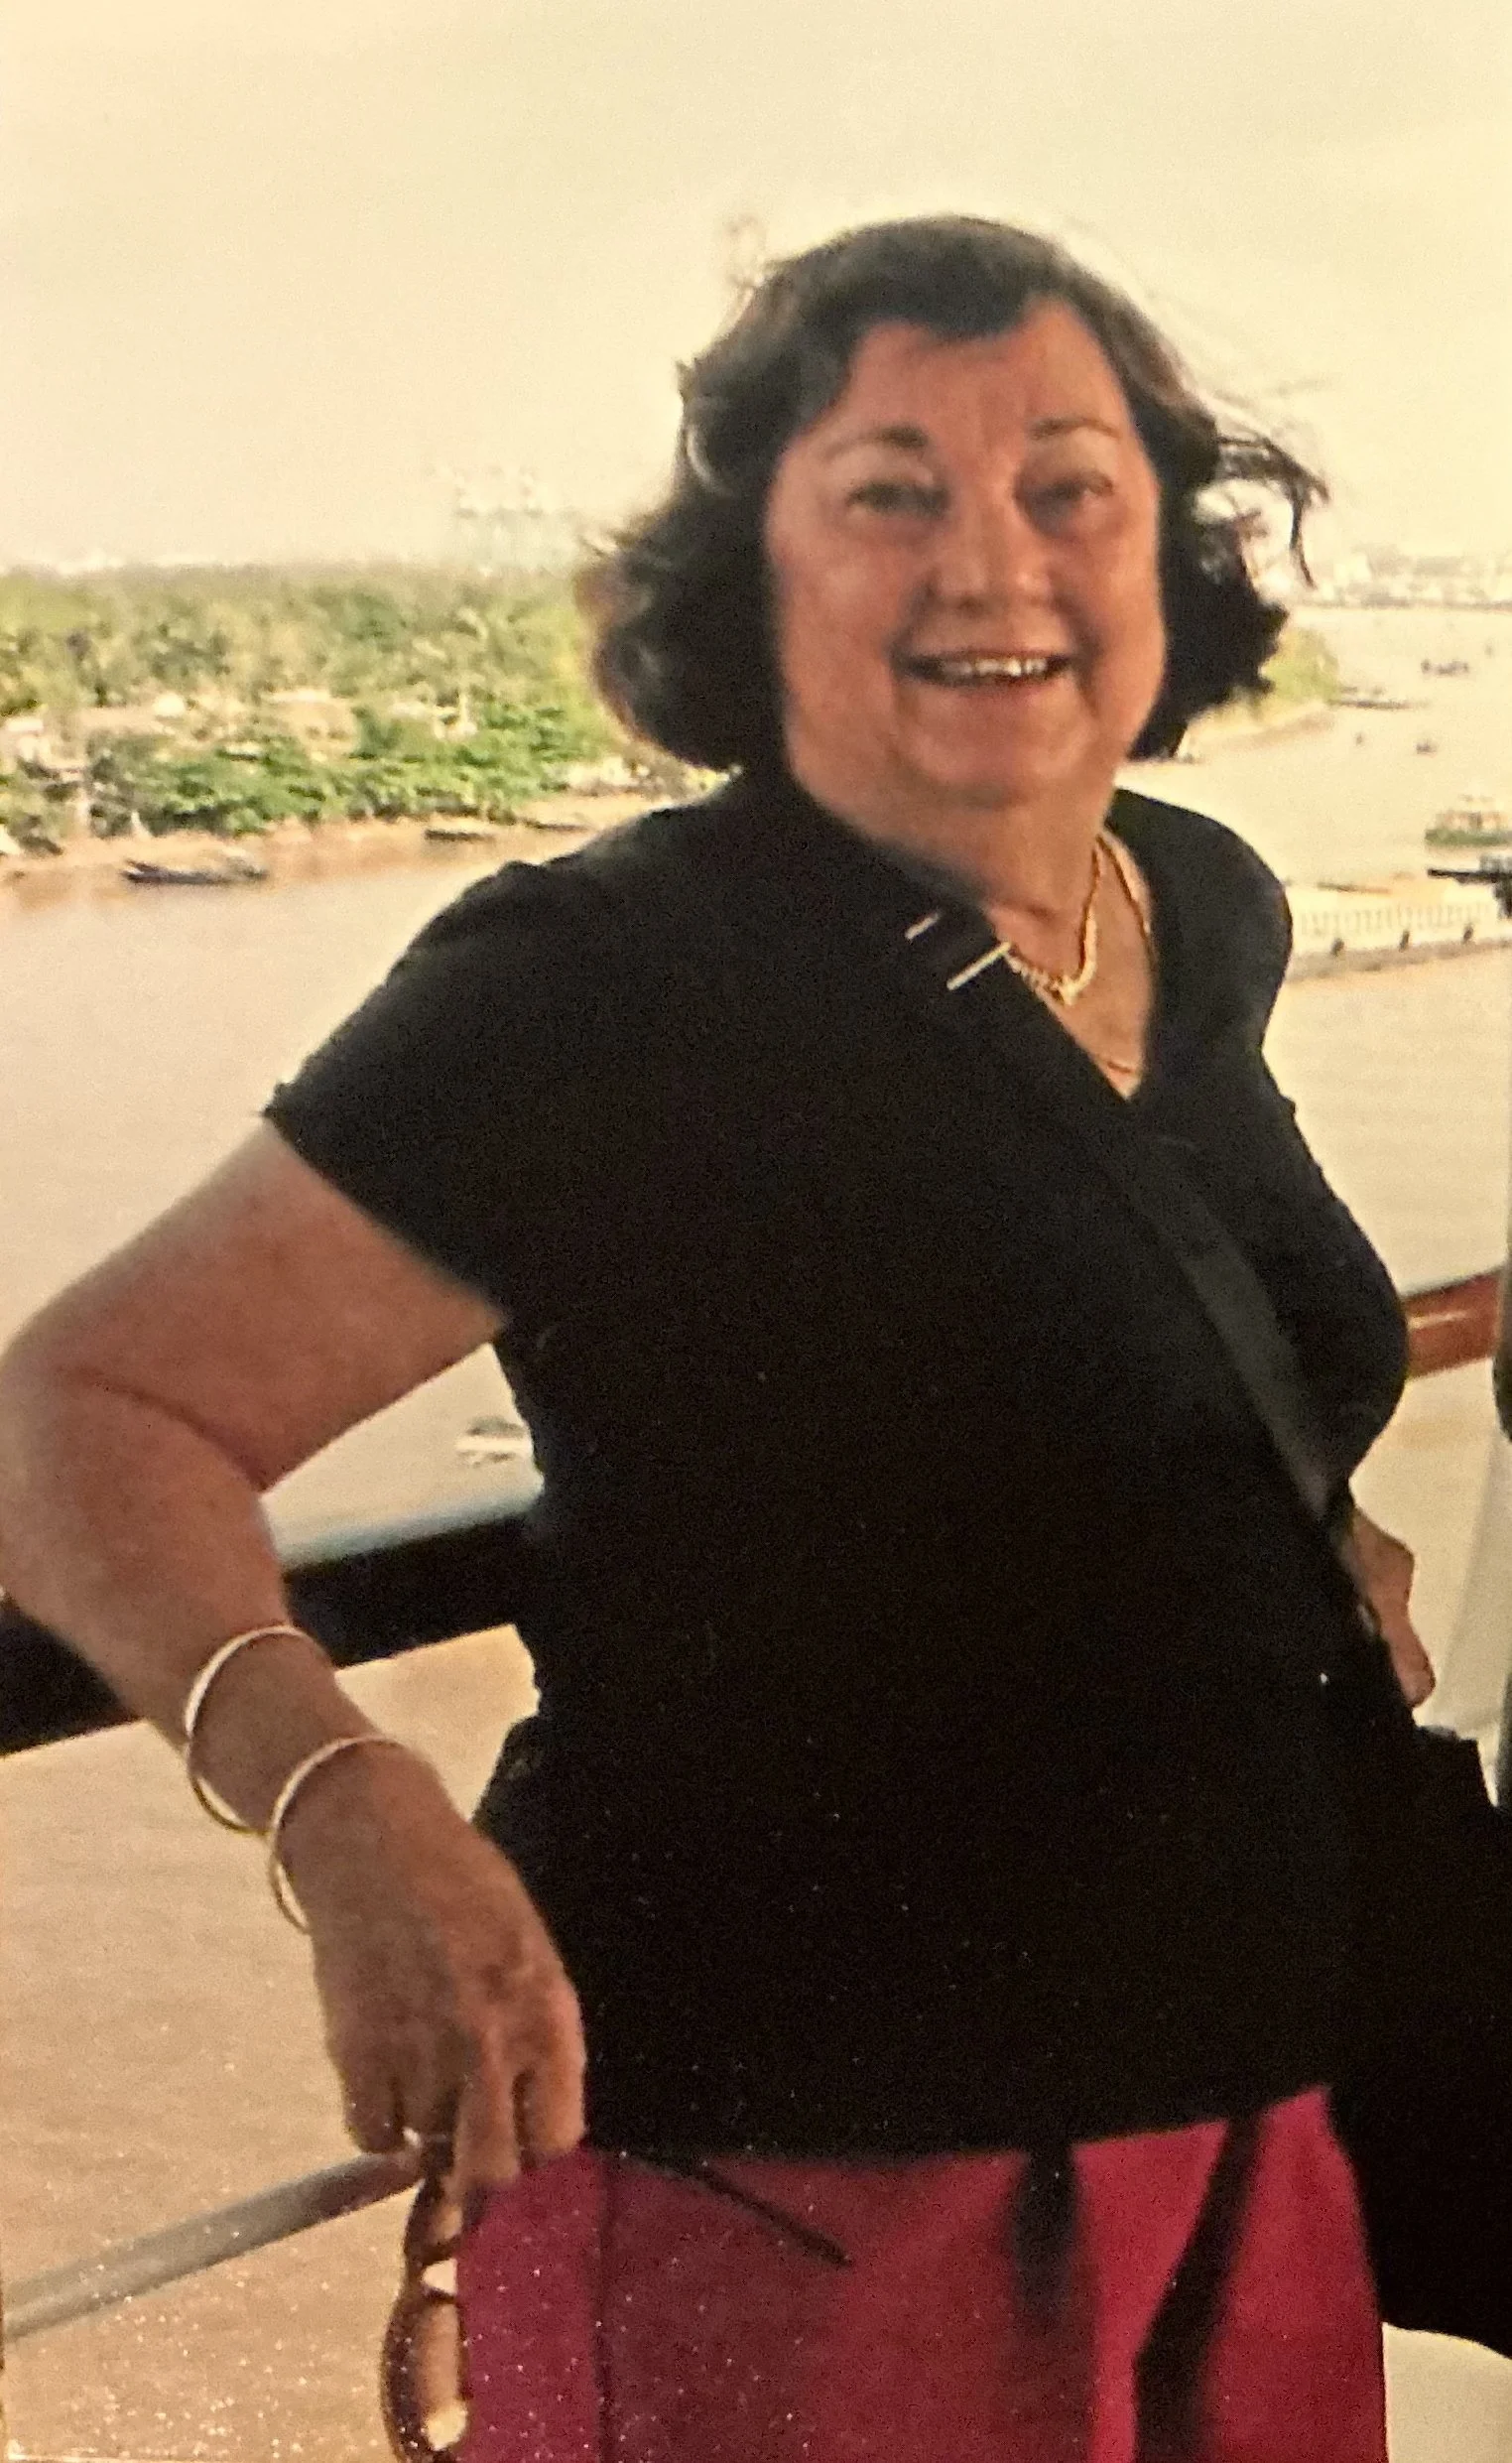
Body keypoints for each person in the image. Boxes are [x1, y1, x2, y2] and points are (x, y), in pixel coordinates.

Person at [0, 218, 1436, 2461]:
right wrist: (343, 1805)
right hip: (804, 2170)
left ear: (1172, 547)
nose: (995, 562)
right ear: (754, 573)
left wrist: (1285, 1523)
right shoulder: (603, 988)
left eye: (1069, 485)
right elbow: (82, 1410)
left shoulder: (1199, 898)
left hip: (1243, 2089)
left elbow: (1076, 1303)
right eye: (890, 492)